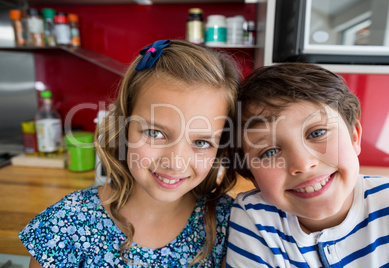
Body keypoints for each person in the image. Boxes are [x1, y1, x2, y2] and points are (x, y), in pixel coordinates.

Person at [19, 39, 241, 267]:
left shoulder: (231, 224)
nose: (175, 162)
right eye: (155, 133)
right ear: (124, 126)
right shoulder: (66, 223)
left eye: (202, 142)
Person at [226, 62, 389, 267]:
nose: (303, 164)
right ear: (250, 175)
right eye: (270, 152)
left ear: (354, 136)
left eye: (317, 133)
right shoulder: (254, 217)